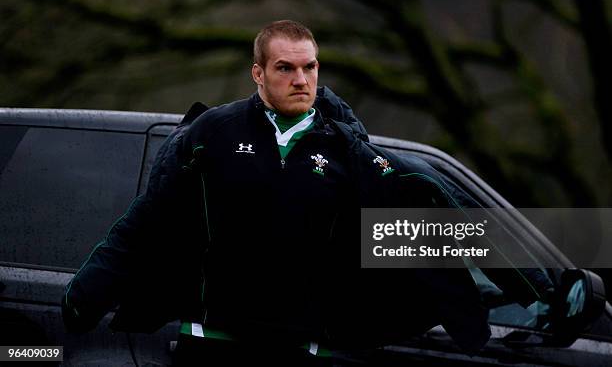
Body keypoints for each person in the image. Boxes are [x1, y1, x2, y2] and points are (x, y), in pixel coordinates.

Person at [62, 20, 553, 365]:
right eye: (285, 68)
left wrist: (541, 289)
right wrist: (85, 296)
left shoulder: (348, 152)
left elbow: (433, 219)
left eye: (310, 67)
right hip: (211, 343)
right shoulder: (211, 132)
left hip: (301, 349)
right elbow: (147, 221)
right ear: (258, 73)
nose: (301, 79)